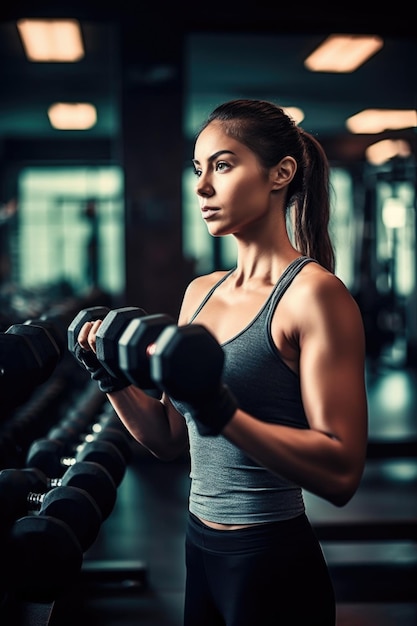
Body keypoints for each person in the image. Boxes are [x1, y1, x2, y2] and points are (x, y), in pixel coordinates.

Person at [74, 99, 368, 626]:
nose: (201, 186)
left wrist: (220, 409)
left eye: (223, 165)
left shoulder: (314, 297)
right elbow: (168, 438)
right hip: (200, 546)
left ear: (281, 174)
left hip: (272, 559)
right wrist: (110, 376)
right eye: (197, 168)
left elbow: (342, 471)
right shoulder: (200, 294)